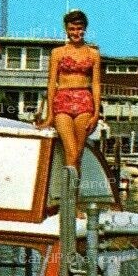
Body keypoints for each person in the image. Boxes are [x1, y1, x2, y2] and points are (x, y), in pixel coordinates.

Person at [36, 10, 102, 176]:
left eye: (79, 28)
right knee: (70, 152)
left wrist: (96, 114)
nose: (75, 32)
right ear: (66, 29)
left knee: (77, 155)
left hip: (84, 102)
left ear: (85, 29)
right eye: (72, 29)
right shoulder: (57, 52)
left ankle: (73, 198)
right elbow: (51, 84)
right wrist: (50, 115)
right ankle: (68, 197)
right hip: (63, 101)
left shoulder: (93, 54)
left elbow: (95, 84)